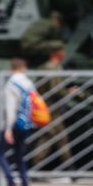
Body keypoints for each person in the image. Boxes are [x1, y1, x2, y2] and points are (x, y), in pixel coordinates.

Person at [0, 57, 38, 186]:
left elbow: (10, 108)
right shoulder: (29, 83)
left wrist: (7, 129)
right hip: (26, 124)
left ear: (11, 69)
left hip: (13, 123)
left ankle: (11, 183)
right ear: (24, 68)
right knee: (19, 156)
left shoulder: (11, 84)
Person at [30, 48, 78, 176]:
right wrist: (68, 92)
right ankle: (69, 169)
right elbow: (55, 90)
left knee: (55, 137)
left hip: (48, 107)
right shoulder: (53, 68)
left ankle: (68, 169)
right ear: (57, 53)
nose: (64, 54)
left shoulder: (46, 67)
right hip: (51, 108)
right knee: (54, 138)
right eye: (62, 51)